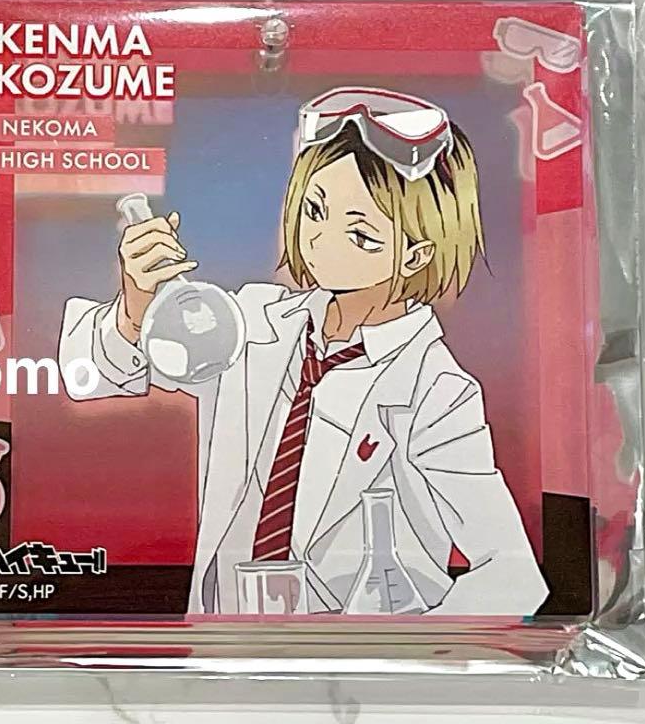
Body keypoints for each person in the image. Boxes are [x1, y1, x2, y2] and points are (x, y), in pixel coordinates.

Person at [58, 88, 548, 617]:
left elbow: (512, 574)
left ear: (416, 254)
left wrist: (400, 648)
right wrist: (136, 311)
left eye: (360, 234)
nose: (320, 242)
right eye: (315, 211)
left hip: (350, 655)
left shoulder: (436, 392)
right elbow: (93, 376)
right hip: (221, 639)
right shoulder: (253, 322)